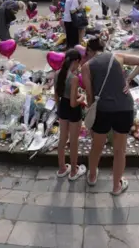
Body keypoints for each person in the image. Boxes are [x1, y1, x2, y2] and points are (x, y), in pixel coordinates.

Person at [81, 37, 139, 195]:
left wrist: (91, 115)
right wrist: (129, 79)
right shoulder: (117, 57)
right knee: (120, 150)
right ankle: (116, 186)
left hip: (102, 110)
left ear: (90, 51)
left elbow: (89, 94)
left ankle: (92, 177)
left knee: (96, 147)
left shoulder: (87, 66)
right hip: (124, 108)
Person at [54, 49, 86, 180]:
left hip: (62, 107)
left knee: (62, 139)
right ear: (76, 61)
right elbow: (73, 103)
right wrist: (82, 98)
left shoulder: (57, 73)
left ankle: (62, 168)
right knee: (73, 141)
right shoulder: (74, 79)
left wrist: (59, 109)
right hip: (73, 111)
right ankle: (73, 171)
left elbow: (56, 95)